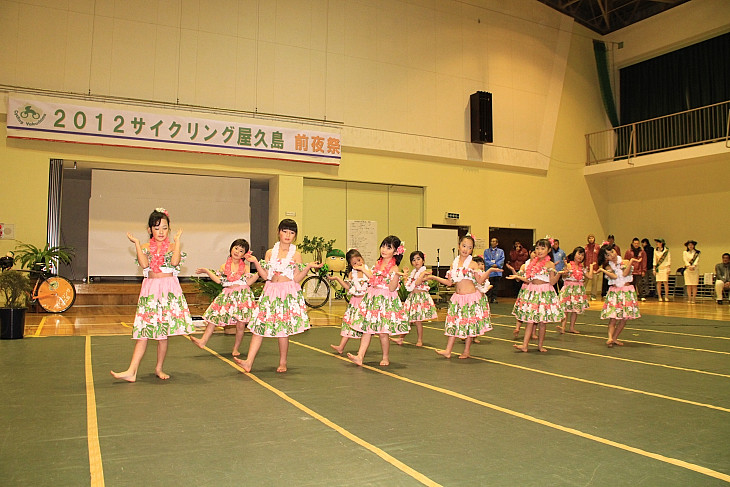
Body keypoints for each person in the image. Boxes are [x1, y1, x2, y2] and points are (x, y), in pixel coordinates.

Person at [111, 208, 194, 382]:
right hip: (150, 289)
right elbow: (144, 264)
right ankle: (131, 370)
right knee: (144, 330)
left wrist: (177, 242)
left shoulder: (172, 247)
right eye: (157, 228)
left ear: (169, 229)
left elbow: (175, 262)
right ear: (150, 230)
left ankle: (159, 368)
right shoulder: (145, 247)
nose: (161, 232)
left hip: (167, 290)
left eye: (164, 228)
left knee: (162, 334)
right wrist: (136, 244)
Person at [235, 219, 322, 373]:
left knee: (283, 330)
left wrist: (307, 267)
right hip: (270, 290)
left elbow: (296, 278)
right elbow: (265, 275)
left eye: (292, 232)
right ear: (279, 232)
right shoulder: (270, 252)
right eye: (285, 231)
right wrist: (255, 261)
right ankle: (248, 362)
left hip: (286, 292)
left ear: (295, 236)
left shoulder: (296, 254)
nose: (288, 235)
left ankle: (283, 362)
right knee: (259, 326)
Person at [428, 234, 495, 359]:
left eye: (469, 248)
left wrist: (489, 271)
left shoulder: (473, 265)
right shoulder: (454, 264)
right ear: (459, 246)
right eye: (464, 246)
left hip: (470, 297)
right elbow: (449, 282)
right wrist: (433, 277)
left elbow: (480, 281)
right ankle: (448, 350)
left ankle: (466, 351)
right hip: (457, 298)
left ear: (472, 250)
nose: (466, 249)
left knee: (469, 324)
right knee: (453, 323)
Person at [347, 236, 409, 366]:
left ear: (396, 252)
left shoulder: (394, 268)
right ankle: (360, 356)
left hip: (385, 299)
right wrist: (364, 269)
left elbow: (392, 288)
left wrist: (396, 277)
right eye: (383, 246)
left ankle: (385, 357)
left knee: (382, 332)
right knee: (367, 329)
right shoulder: (378, 263)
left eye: (389, 247)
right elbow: (373, 279)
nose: (384, 250)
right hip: (373, 297)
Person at [191, 239, 259, 356]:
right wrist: (206, 271)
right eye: (236, 248)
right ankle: (203, 341)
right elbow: (219, 280)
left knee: (241, 324)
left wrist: (259, 271)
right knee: (214, 317)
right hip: (227, 294)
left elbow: (249, 282)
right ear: (231, 248)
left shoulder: (246, 267)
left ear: (244, 254)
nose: (237, 252)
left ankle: (236, 348)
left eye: (241, 250)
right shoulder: (224, 266)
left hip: (242, 295)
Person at [507, 238, 563, 353]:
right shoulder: (533, 263)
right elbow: (528, 279)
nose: (539, 251)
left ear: (548, 250)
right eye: (537, 248)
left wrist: (559, 274)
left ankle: (540, 345)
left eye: (543, 248)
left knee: (542, 322)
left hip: (544, 292)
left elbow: (552, 282)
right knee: (530, 320)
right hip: (532, 291)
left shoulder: (550, 263)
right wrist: (518, 277)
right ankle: (524, 345)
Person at [596, 242, 641, 347]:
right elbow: (614, 277)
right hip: (616, 292)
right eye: (608, 254)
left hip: (626, 291)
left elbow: (625, 274)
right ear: (605, 257)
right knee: (614, 317)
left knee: (624, 318)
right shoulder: (608, 267)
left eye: (612, 251)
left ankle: (615, 338)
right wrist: (603, 270)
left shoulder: (624, 261)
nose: (612, 255)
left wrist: (631, 262)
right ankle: (610, 337)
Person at [328, 249, 368, 354]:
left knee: (364, 326)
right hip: (354, 302)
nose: (358, 264)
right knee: (349, 323)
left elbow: (373, 281)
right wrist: (337, 278)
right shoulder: (351, 274)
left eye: (359, 260)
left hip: (365, 302)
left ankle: (361, 351)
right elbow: (348, 287)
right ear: (350, 264)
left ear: (362, 258)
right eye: (354, 263)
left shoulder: (368, 271)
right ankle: (341, 346)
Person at [399, 250, 437, 347]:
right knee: (407, 319)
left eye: (418, 259)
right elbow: (408, 285)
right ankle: (401, 338)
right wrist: (405, 274)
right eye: (413, 260)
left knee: (417, 320)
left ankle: (419, 339)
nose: (416, 261)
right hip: (412, 297)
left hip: (420, 298)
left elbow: (417, 283)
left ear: (423, 261)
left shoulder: (423, 272)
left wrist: (422, 276)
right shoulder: (413, 272)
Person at [557, 246, 592, 334]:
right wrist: (566, 270)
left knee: (575, 310)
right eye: (579, 254)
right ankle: (563, 327)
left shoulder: (582, 267)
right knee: (565, 309)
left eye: (582, 255)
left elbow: (590, 276)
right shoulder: (569, 265)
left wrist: (591, 267)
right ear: (574, 254)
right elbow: (564, 277)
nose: (580, 256)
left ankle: (572, 327)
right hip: (569, 288)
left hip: (578, 290)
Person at [506, 250, 537, 340]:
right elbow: (518, 278)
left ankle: (533, 332)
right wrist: (512, 270)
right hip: (526, 289)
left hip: (535, 290)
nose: (535, 254)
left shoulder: (540, 265)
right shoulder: (525, 265)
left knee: (534, 311)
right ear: (530, 252)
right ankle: (517, 328)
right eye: (534, 252)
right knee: (523, 309)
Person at [483, 237, 504, 303]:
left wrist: (497, 265)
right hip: (489, 271)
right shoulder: (486, 251)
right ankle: (488, 297)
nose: (493, 242)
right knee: (489, 284)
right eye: (492, 241)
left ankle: (494, 298)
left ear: (497, 243)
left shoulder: (501, 251)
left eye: (494, 241)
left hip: (497, 271)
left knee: (496, 285)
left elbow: (502, 259)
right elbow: (485, 260)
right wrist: (492, 264)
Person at [584, 234, 600, 300]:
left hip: (595, 267)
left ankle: (593, 295)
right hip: (587, 267)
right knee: (584, 281)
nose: (591, 239)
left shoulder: (597, 247)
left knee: (594, 282)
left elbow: (600, 256)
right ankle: (582, 293)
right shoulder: (586, 247)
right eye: (590, 238)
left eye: (592, 238)